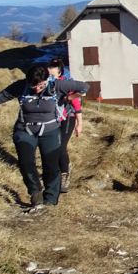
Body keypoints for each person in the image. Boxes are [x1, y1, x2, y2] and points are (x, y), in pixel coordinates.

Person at [0, 65, 88, 208]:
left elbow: (84, 87)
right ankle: (35, 193)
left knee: (51, 166)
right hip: (25, 130)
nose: (36, 88)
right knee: (26, 163)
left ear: (47, 80)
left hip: (50, 131)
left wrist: (69, 97)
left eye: (40, 85)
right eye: (33, 84)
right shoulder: (21, 86)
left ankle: (50, 200)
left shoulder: (58, 85)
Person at [47, 58, 83, 193]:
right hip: (52, 119)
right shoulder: (46, 84)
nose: (50, 69)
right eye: (49, 66)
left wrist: (80, 124)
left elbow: (76, 102)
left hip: (68, 117)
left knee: (60, 146)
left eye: (53, 67)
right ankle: (60, 169)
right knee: (53, 146)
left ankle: (64, 175)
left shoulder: (65, 83)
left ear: (59, 70)